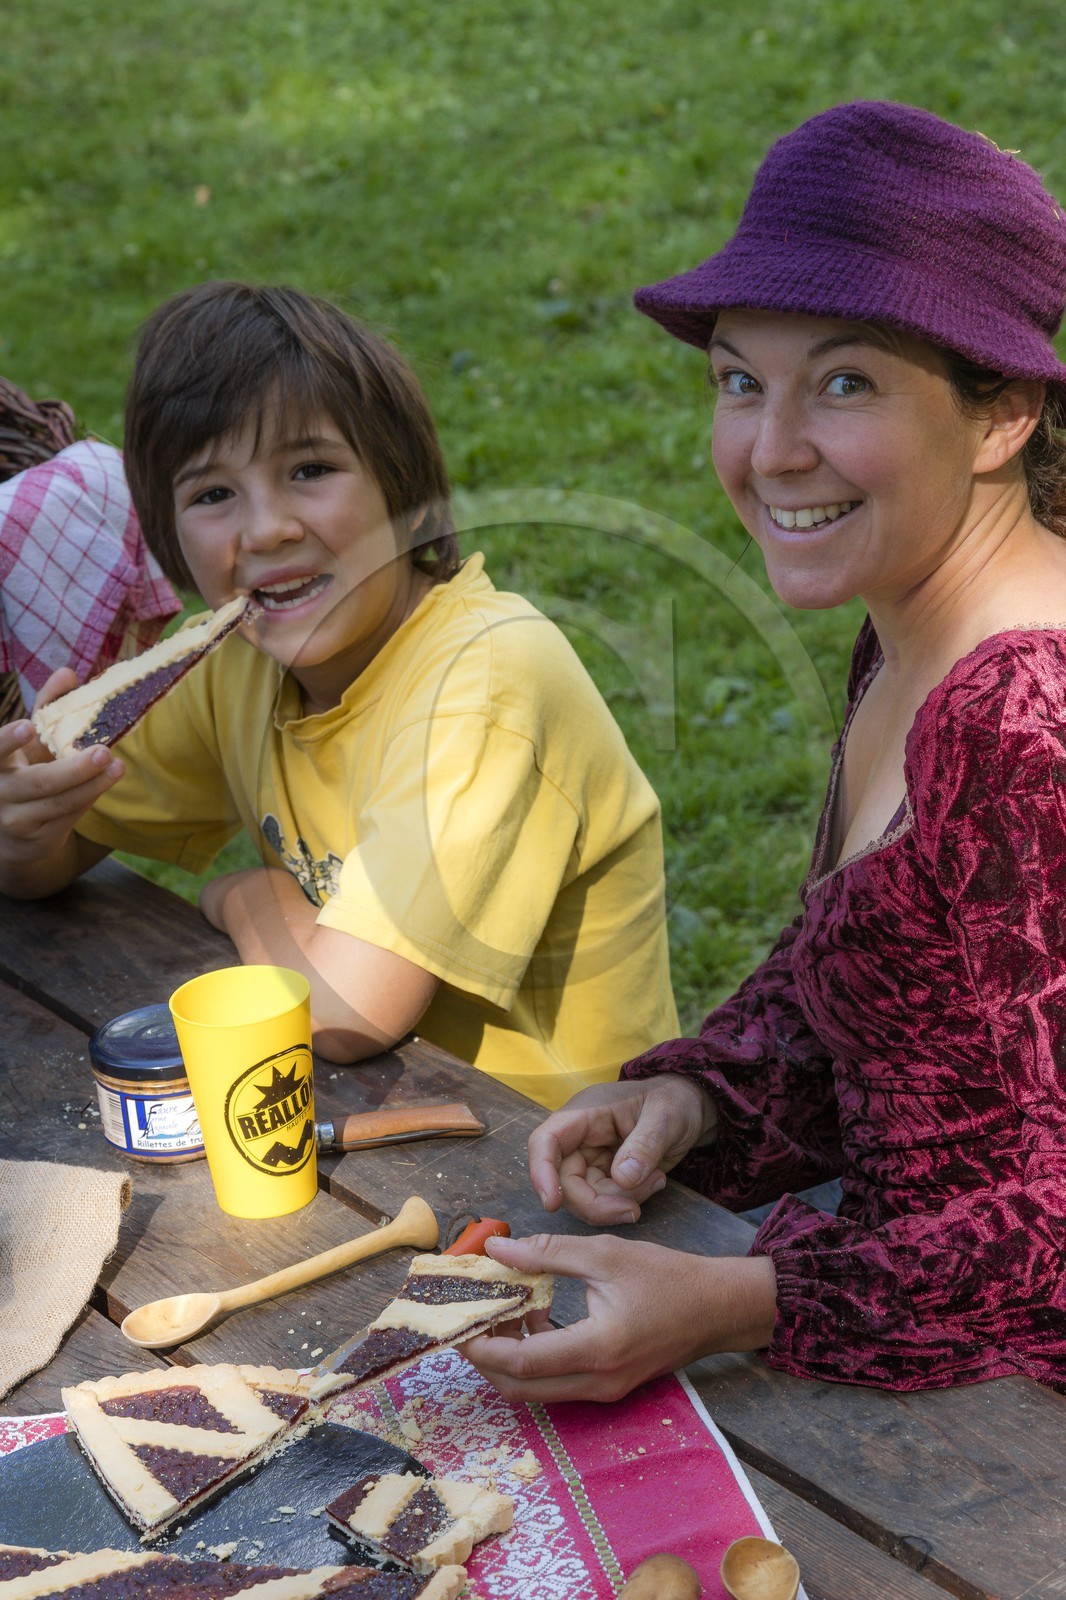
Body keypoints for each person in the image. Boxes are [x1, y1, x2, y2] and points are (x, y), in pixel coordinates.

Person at [464, 100, 1066, 1400]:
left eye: (843, 382)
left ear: (1002, 410)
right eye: (740, 380)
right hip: (913, 1341)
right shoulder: (913, 626)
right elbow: (892, 983)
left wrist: (738, 1301)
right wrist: (703, 1103)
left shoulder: (1025, 729)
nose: (768, 450)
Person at [0, 282, 678, 1110]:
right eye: (213, 495)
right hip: (385, 1123)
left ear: (403, 492)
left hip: (567, 1164)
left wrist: (253, 893)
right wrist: (26, 825)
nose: (267, 530)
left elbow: (347, 1011)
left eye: (310, 471)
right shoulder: (233, 663)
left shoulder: (488, 682)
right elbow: (49, 863)